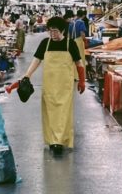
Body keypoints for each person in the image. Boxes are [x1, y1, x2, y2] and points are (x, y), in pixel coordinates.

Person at [6, 16, 84, 156]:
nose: (52, 34)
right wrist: (26, 76)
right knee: (50, 114)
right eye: (50, 31)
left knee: (63, 113)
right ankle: (52, 140)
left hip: (65, 86)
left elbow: (79, 64)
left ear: (62, 31)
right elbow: (36, 61)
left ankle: (59, 141)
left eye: (55, 31)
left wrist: (82, 81)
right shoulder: (45, 43)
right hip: (49, 86)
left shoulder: (70, 44)